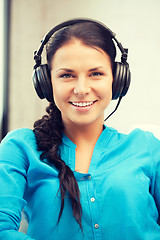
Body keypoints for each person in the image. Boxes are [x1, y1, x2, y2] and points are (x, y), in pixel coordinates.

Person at [0, 18, 160, 240]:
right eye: (67, 75)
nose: (82, 89)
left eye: (96, 73)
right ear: (46, 82)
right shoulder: (20, 148)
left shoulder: (148, 148)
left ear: (117, 79)